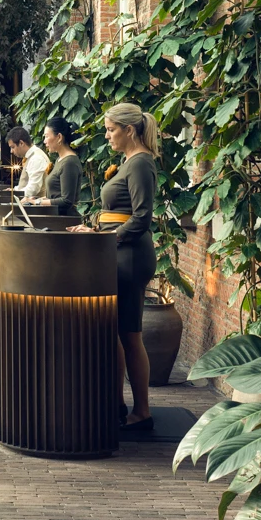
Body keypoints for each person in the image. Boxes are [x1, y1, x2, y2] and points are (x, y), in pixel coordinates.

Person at [100, 102, 158, 431]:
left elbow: (141, 216)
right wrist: (96, 231)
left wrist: (111, 238)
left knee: (128, 334)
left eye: (111, 130)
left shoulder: (140, 164)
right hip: (120, 252)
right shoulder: (129, 162)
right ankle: (123, 405)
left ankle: (139, 411)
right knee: (121, 333)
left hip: (130, 257)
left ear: (129, 130)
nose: (107, 136)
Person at [41, 117, 82, 212]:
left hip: (65, 221)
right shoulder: (60, 160)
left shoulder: (69, 162)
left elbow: (66, 201)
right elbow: (55, 196)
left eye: (47, 136)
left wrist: (39, 202)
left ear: (59, 137)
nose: (44, 141)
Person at [6, 125, 50, 201]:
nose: (11, 151)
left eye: (13, 147)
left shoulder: (36, 158)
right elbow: (27, 184)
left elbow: (33, 188)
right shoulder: (32, 156)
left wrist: (15, 194)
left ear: (21, 143)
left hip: (37, 209)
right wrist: (15, 190)